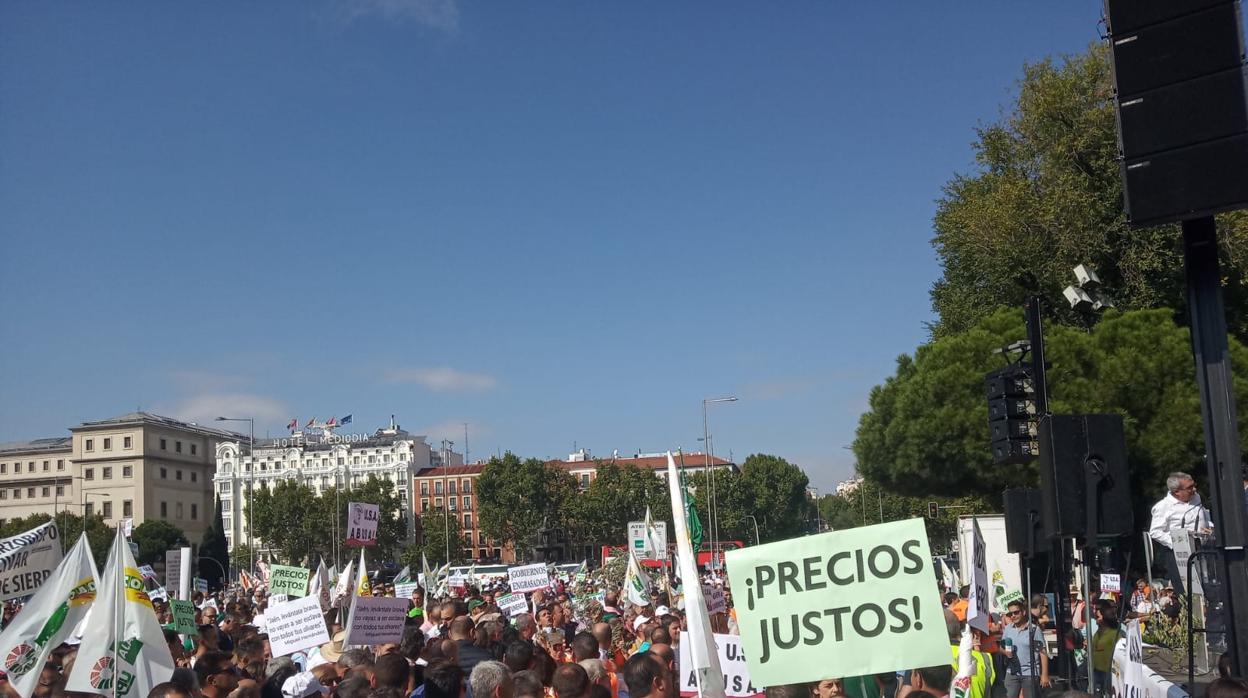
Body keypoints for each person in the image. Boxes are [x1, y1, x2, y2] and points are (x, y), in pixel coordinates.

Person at [1149, 471, 1212, 595]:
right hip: (1180, 554)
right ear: (1177, 491)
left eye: (1194, 485)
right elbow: (1155, 532)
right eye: (1189, 488)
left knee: (1208, 586)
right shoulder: (1163, 506)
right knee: (1187, 591)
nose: (1194, 489)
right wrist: (1177, 542)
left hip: (1203, 550)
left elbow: (1204, 516)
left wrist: (1209, 527)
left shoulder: (1197, 498)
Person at [1000, 599, 1049, 698]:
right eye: (1010, 614)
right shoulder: (1008, 628)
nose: (1013, 615)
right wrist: (1005, 652)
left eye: (1016, 612)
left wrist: (1044, 675)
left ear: (1023, 612)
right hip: (1012, 672)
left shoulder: (1034, 629)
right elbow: (1001, 647)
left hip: (1030, 673)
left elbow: (1043, 653)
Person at [1090, 602, 1122, 696]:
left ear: (1104, 619)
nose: (1096, 619)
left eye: (1098, 617)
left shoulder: (1115, 634)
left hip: (1107, 672)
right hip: (1096, 670)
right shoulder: (1098, 632)